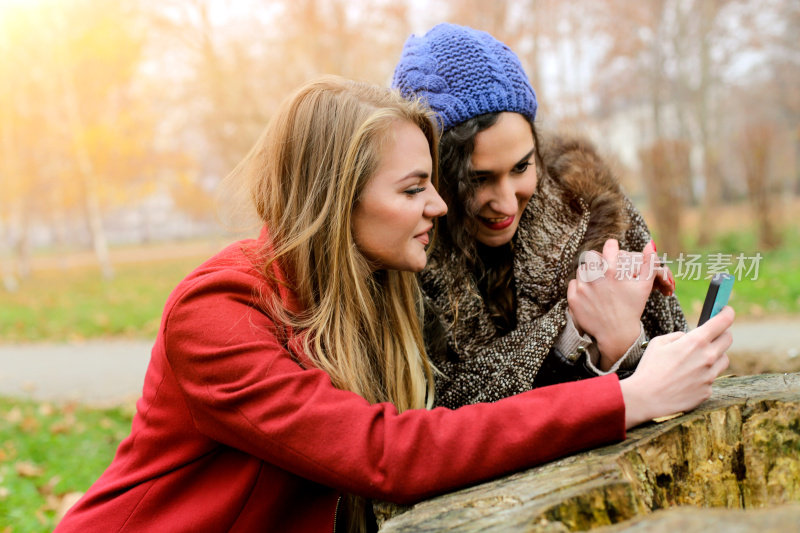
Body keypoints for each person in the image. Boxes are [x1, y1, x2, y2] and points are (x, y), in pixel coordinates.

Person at [55, 76, 732, 533]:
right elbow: (389, 453)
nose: (439, 205)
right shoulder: (219, 310)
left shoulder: (367, 290)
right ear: (334, 200)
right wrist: (627, 398)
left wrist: (593, 314)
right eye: (414, 189)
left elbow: (463, 414)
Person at [392, 23, 688, 408]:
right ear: (433, 170)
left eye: (521, 167)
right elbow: (433, 414)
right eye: (477, 179)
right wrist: (571, 329)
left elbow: (676, 361)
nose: (506, 203)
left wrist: (622, 342)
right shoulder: (401, 259)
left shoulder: (593, 211)